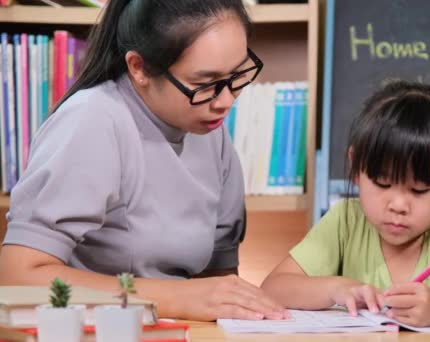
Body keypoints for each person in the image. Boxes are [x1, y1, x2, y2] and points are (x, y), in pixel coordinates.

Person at [0, 0, 289, 322]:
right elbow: (17, 275)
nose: (225, 101)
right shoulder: (93, 120)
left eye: (237, 75)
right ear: (139, 67)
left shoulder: (209, 129)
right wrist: (176, 297)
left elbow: (218, 279)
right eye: (204, 84)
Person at [261, 81, 430, 327]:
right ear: (356, 167)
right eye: (382, 183)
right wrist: (335, 289)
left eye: (420, 190)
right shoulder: (346, 220)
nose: (398, 205)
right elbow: (274, 288)